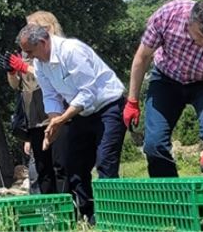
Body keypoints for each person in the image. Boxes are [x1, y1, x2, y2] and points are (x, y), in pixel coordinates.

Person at [124, 0, 203, 179]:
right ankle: (171, 201)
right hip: (167, 79)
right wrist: (132, 100)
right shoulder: (169, 15)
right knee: (154, 144)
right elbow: (142, 57)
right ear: (189, 22)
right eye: (200, 36)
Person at [17, 23, 126, 223]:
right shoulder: (41, 64)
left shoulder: (71, 51)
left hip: (108, 108)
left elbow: (87, 93)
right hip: (81, 113)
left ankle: (113, 216)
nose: (29, 57)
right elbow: (51, 96)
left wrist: (62, 119)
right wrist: (53, 124)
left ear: (42, 42)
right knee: (73, 165)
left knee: (105, 163)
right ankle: (89, 215)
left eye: (30, 52)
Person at [0, 11, 68, 195]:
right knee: (42, 171)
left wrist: (24, 66)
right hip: (34, 119)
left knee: (61, 166)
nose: (28, 30)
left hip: (57, 116)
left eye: (32, 27)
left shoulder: (57, 49)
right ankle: (48, 212)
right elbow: (15, 86)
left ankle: (70, 209)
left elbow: (47, 74)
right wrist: (11, 71)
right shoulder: (26, 53)